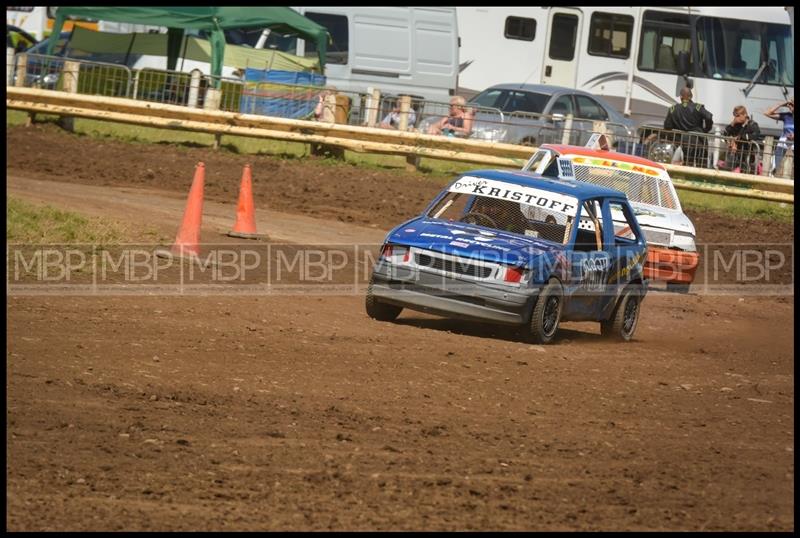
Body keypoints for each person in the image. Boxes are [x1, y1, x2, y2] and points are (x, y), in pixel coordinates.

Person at [663, 86, 714, 168]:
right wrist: (706, 129)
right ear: (691, 96)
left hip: (683, 142)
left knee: (687, 164)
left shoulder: (673, 109)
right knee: (701, 165)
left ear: (680, 97)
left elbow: (667, 126)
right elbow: (709, 117)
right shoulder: (698, 107)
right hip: (699, 140)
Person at [723, 105, 763, 174]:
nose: (736, 118)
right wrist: (733, 123)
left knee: (747, 171)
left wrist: (741, 137)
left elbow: (756, 135)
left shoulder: (752, 124)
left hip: (748, 155)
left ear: (744, 115)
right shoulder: (736, 124)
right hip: (736, 155)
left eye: (738, 116)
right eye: (735, 116)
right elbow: (725, 133)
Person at [764, 98, 794, 175]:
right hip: (782, 145)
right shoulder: (787, 116)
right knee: (778, 168)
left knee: (791, 171)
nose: (791, 106)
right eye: (790, 105)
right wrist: (781, 104)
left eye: (793, 105)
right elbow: (767, 113)